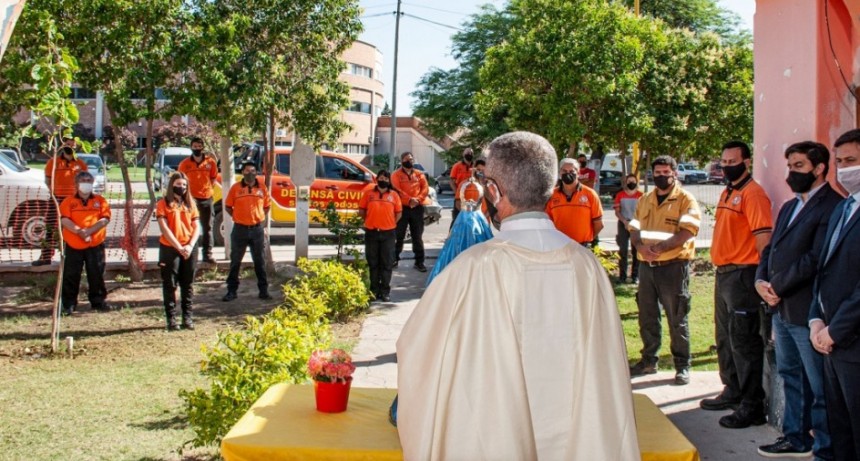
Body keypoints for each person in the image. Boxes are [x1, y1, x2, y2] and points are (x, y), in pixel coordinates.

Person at [397, 131, 639, 460]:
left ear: (493, 190)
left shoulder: (471, 269)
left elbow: (418, 350)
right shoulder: (588, 268)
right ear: (551, 188)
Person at [755, 141, 839, 458]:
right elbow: (771, 249)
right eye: (789, 166)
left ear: (819, 168)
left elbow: (815, 258)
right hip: (782, 308)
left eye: (799, 166)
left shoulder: (833, 206)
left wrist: (777, 284)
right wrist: (760, 280)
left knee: (819, 386)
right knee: (791, 376)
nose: (792, 172)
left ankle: (826, 447)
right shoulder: (791, 206)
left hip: (809, 310)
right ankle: (796, 437)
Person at [701, 140, 773, 429]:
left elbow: (763, 238)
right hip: (725, 273)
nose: (728, 167)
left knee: (744, 342)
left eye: (734, 162)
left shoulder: (753, 195)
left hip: (743, 274)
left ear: (748, 161)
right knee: (725, 337)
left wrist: (762, 275)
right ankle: (732, 389)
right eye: (725, 163)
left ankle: (751, 404)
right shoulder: (728, 191)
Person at [809, 128, 860, 461]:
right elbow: (824, 269)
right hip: (829, 341)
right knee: (840, 431)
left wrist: (835, 330)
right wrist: (815, 318)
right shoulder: (845, 207)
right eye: (839, 161)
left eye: (852, 161)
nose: (843, 168)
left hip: (851, 341)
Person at [628, 156, 701, 386]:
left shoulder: (685, 200)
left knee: (676, 316)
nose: (661, 176)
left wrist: (659, 248)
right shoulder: (645, 199)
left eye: (665, 172)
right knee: (647, 315)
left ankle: (682, 365)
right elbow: (634, 228)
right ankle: (649, 360)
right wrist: (640, 247)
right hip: (647, 267)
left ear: (674, 174)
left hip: (673, 266)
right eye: (657, 172)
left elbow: (687, 232)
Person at [59, 171, 111, 315]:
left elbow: (105, 219)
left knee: (96, 274)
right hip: (73, 244)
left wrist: (89, 231)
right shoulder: (68, 201)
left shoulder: (100, 201)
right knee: (71, 275)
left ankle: (98, 302)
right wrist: (79, 232)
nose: (86, 182)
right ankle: (69, 304)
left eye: (89, 180)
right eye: (83, 180)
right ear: (76, 183)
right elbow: (64, 220)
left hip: (95, 244)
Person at [156, 172, 200, 331]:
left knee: (187, 284)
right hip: (170, 248)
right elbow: (164, 228)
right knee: (170, 284)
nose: (181, 187)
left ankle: (187, 318)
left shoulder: (190, 204)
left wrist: (189, 246)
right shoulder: (163, 203)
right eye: (178, 184)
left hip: (189, 248)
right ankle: (171, 320)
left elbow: (196, 227)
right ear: (171, 185)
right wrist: (179, 247)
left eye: (184, 185)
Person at [222, 161, 271, 302]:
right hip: (240, 230)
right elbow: (228, 206)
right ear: (242, 172)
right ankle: (231, 291)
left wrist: (259, 218)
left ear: (256, 172)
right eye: (247, 171)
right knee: (235, 262)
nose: (250, 173)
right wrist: (238, 217)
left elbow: (267, 206)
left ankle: (263, 291)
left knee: (259, 262)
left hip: (257, 230)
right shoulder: (235, 188)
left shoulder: (262, 188)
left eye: (253, 171)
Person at [35, 140, 88, 266]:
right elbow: (48, 180)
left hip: (74, 201)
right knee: (50, 228)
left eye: (72, 145)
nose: (70, 147)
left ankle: (72, 258)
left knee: (73, 229)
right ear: (62, 145)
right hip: (56, 199)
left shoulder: (81, 165)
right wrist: (54, 193)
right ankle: (46, 257)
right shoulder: (53, 163)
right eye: (67, 144)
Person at [358, 169, 402, 302]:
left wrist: (390, 223)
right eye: (381, 178)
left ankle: (385, 291)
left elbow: (398, 213)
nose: (383, 180)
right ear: (377, 179)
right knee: (373, 263)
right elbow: (362, 211)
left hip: (388, 234)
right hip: (371, 232)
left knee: (387, 263)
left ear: (389, 181)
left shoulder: (394, 195)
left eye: (386, 178)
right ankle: (374, 290)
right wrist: (369, 221)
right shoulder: (369, 193)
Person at [178, 137, 219, 263]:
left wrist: (207, 189)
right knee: (189, 227)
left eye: (199, 146)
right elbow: (180, 180)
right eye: (194, 146)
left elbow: (213, 178)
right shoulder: (185, 164)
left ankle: (207, 254)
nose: (197, 148)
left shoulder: (210, 162)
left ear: (202, 147)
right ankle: (189, 253)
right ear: (191, 147)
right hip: (190, 199)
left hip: (206, 198)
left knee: (207, 228)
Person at [545, 158, 603, 245]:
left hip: (582, 246)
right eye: (564, 171)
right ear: (560, 173)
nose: (568, 174)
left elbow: (599, 224)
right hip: (558, 246)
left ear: (578, 173)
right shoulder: (551, 195)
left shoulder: (590, 194)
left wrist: (587, 241)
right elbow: (547, 223)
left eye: (572, 171)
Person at [392, 152, 429, 272]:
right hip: (402, 208)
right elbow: (397, 190)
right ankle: (394, 259)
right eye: (407, 159)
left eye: (411, 159)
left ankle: (419, 262)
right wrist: (409, 199)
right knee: (399, 236)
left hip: (417, 208)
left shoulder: (419, 174)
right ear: (402, 160)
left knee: (417, 236)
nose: (410, 161)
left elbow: (425, 188)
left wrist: (417, 199)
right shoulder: (396, 175)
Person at [614, 173, 643, 284]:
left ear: (637, 182)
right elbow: (617, 211)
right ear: (625, 183)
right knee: (623, 250)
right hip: (623, 223)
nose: (631, 183)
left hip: (636, 225)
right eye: (629, 181)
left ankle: (635, 276)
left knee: (636, 250)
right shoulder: (620, 195)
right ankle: (622, 276)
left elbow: (643, 212)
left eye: (633, 181)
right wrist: (625, 221)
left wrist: (635, 223)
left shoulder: (641, 195)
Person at [449, 147, 475, 227]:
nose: (469, 154)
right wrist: (457, 193)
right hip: (459, 197)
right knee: (457, 218)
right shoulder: (457, 166)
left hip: (472, 197)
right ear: (463, 154)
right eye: (467, 152)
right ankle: (451, 237)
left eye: (471, 153)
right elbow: (451, 181)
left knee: (471, 218)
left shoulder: (475, 166)